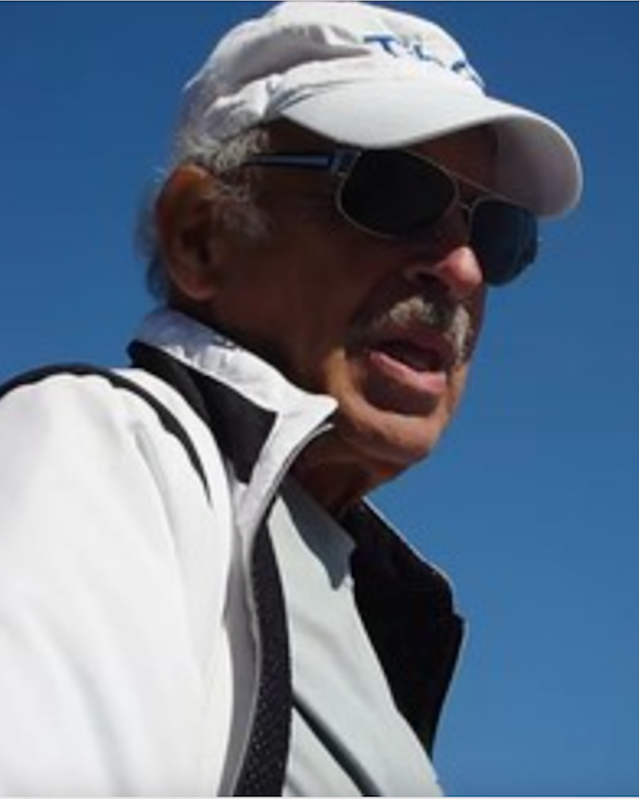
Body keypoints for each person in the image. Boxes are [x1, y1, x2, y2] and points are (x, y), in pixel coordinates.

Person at [0, 1, 582, 795]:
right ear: (201, 233)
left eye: (496, 232)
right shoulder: (99, 451)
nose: (462, 269)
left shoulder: (348, 596)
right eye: (390, 192)